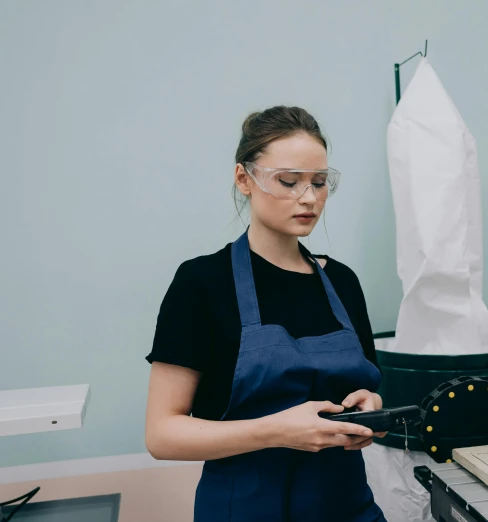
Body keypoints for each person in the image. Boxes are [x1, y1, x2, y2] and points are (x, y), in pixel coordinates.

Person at [144, 106, 387, 521]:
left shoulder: (342, 282)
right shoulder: (202, 283)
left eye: (319, 183)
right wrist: (277, 431)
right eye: (289, 182)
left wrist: (374, 412)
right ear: (244, 179)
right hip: (245, 509)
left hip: (348, 507)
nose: (308, 198)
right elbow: (161, 434)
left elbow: (371, 397)